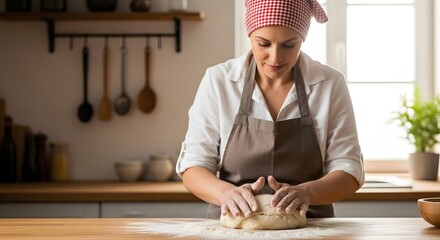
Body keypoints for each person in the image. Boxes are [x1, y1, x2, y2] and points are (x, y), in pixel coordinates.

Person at [176, 0, 364, 219]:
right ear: (250, 37)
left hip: (312, 227)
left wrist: (308, 193)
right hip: (233, 229)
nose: (275, 57)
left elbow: (349, 169)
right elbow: (193, 166)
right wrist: (225, 193)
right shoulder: (219, 81)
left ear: (302, 39)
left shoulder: (329, 84)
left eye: (289, 45)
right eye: (263, 44)